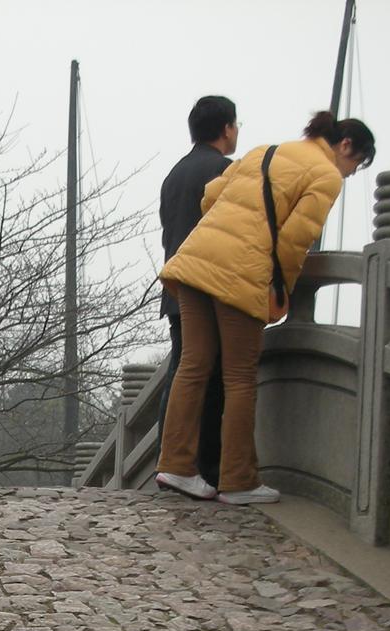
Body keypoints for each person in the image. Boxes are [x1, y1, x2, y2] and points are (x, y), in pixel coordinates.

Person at [155, 110, 375, 504]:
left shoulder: (265, 151)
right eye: (355, 164)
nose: (349, 173)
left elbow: (210, 196)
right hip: (240, 272)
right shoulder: (324, 176)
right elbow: (295, 240)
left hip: (195, 261)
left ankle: (176, 465)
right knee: (239, 376)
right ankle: (238, 480)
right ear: (345, 146)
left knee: (193, 364)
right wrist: (280, 292)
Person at [157, 95, 239, 490]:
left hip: (176, 288)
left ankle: (168, 460)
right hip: (209, 291)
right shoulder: (224, 171)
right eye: (236, 125)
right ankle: (203, 467)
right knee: (209, 381)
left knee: (180, 374)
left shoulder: (174, 174)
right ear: (226, 128)